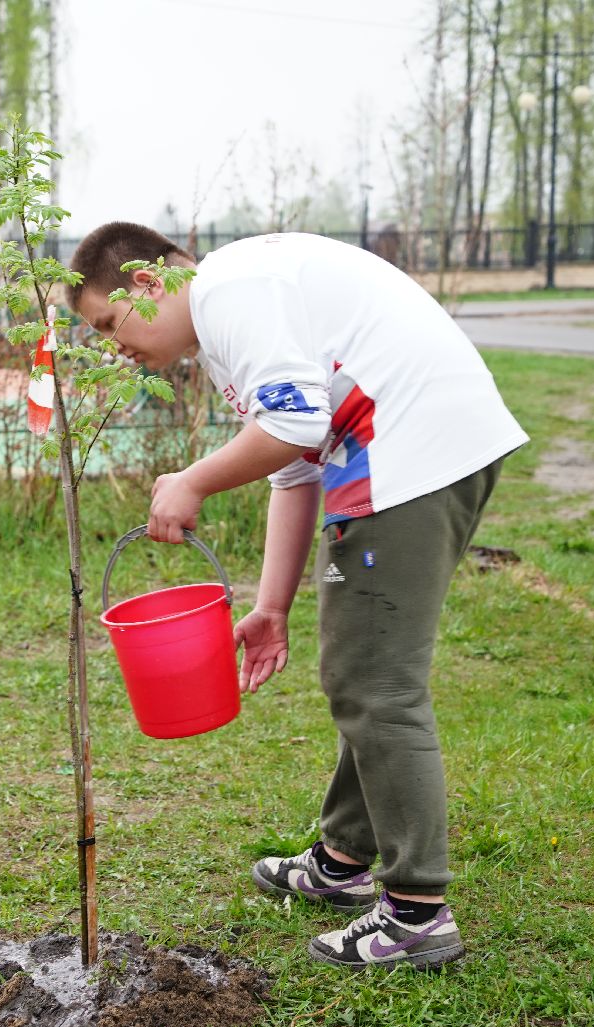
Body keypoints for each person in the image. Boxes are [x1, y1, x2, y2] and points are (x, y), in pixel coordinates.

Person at [68, 224, 527, 970]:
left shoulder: (229, 292)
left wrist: (191, 481)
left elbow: (294, 424)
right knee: (361, 667)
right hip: (405, 442)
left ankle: (416, 913)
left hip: (408, 445)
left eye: (109, 324)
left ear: (149, 284)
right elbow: (293, 466)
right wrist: (271, 605)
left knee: (376, 683)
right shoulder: (227, 314)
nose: (111, 346)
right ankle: (343, 859)